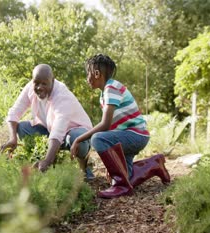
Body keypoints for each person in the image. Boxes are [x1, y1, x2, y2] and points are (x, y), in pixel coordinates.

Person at [70, 54, 170, 199]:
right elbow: (112, 127)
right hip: (128, 135)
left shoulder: (111, 88)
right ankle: (154, 165)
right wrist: (113, 165)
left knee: (98, 139)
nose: (87, 78)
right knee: (127, 176)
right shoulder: (105, 93)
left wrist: (78, 139)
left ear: (96, 74)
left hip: (134, 136)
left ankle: (121, 186)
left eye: (88, 73)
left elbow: (105, 125)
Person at [0, 64, 94, 177]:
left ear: (52, 81)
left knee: (77, 140)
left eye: (44, 83)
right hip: (50, 130)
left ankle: (85, 167)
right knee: (22, 128)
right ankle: (42, 162)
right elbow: (14, 112)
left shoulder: (62, 95)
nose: (39, 87)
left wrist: (47, 161)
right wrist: (12, 139)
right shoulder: (30, 87)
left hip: (75, 132)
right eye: (37, 83)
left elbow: (58, 131)